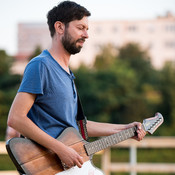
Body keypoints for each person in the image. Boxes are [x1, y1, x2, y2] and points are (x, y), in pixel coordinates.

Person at [7, 0, 146, 173]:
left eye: (87, 29)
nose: (86, 35)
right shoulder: (40, 66)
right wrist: (60, 149)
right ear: (60, 27)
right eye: (80, 28)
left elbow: (77, 126)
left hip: (75, 162)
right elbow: (16, 118)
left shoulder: (68, 74)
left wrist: (124, 129)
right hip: (54, 166)